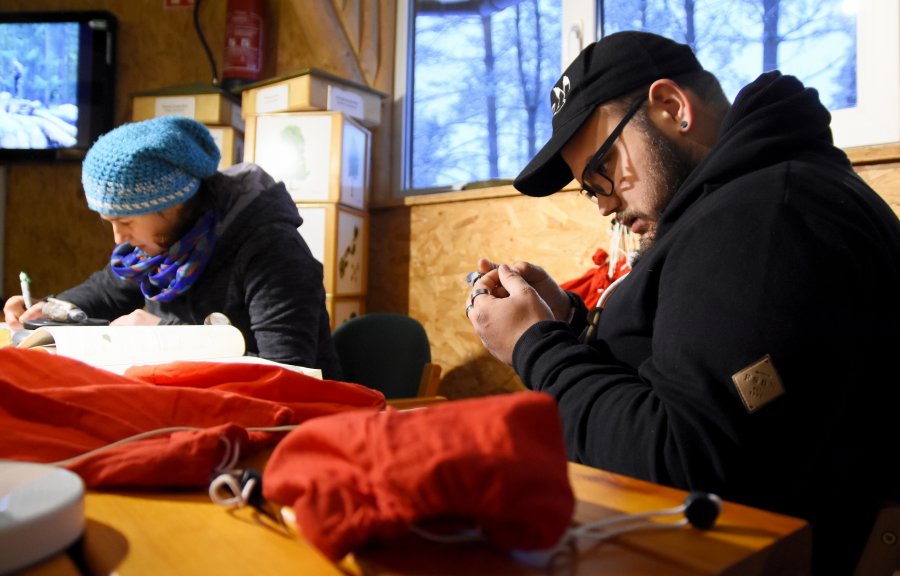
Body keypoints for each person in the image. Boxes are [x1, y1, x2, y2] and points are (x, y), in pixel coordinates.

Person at [465, 31, 900, 572]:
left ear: (671, 106)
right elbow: (675, 370)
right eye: (589, 188)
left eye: (603, 170)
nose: (603, 205)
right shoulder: (727, 207)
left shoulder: (762, 218)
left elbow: (685, 466)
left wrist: (537, 345)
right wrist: (570, 324)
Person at [4, 115, 342, 379]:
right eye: (109, 222)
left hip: (292, 426)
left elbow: (287, 372)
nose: (118, 240)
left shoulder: (271, 248)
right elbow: (108, 291)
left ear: (176, 204)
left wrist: (163, 338)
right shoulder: (161, 245)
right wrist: (49, 308)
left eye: (127, 222)